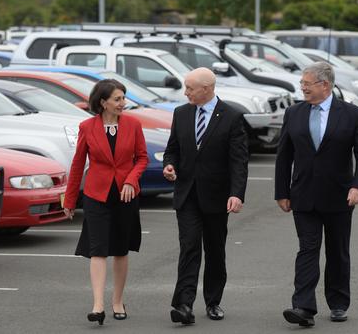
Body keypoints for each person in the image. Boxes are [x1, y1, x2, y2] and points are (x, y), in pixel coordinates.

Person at [274, 62, 358, 327]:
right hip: (303, 194)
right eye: (302, 84)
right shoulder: (294, 113)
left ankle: (339, 302)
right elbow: (284, 156)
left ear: (325, 85)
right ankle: (303, 307)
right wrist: (281, 191)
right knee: (307, 248)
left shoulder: (353, 115)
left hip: (340, 195)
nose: (303, 88)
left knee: (337, 250)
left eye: (307, 83)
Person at [163, 67, 249, 325]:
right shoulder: (181, 113)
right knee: (189, 247)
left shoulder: (232, 117)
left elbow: (239, 161)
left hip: (217, 196)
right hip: (187, 194)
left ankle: (213, 301)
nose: (185, 92)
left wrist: (236, 194)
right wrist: (170, 165)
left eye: (190, 88)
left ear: (207, 89)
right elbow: (173, 149)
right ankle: (184, 304)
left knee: (214, 250)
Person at [63, 79, 148, 326]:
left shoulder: (133, 124)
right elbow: (78, 164)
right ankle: (98, 305)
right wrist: (69, 200)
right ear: (103, 102)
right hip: (96, 196)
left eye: (123, 98)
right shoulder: (87, 127)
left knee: (120, 249)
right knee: (98, 249)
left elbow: (141, 158)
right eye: (118, 99)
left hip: (126, 195)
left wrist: (132, 180)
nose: (123, 103)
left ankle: (117, 301)